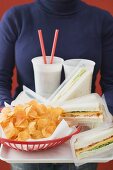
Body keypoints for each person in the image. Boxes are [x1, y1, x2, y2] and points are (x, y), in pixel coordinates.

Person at [0, 0, 113, 170]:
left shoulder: (102, 20)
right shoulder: (16, 18)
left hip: (83, 139)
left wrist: (106, 121)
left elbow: (111, 84)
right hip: (28, 147)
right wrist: (8, 118)